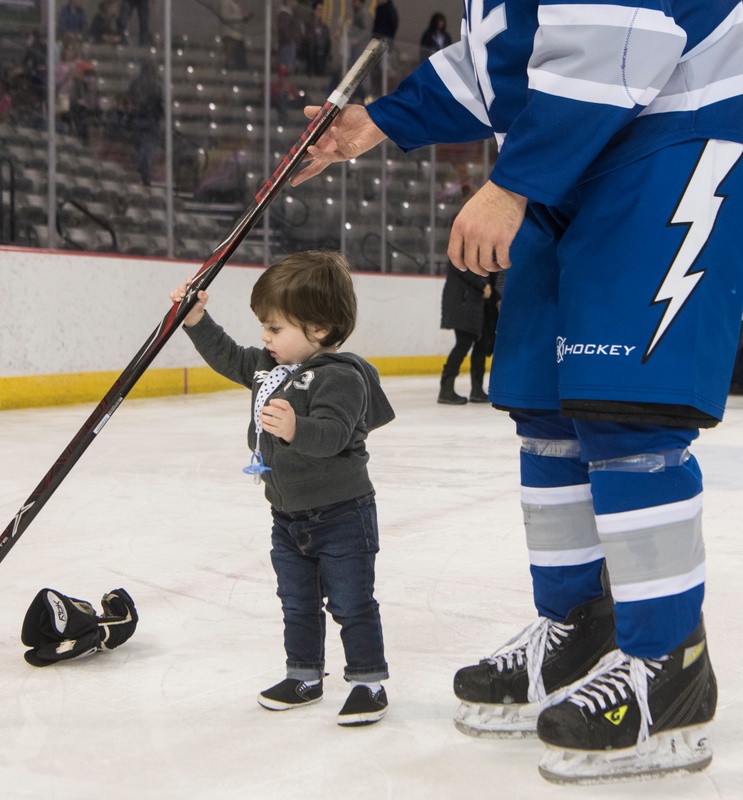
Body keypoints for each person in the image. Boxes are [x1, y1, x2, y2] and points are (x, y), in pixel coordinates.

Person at [293, 0, 742, 784]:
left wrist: (513, 183)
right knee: (544, 408)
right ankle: (577, 627)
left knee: (624, 412)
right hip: (570, 148)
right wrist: (383, 121)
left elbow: (620, 32)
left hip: (672, 130)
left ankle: (668, 665)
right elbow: (498, 56)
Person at [169, 250, 395, 726]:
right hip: (288, 516)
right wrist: (195, 319)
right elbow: (229, 356)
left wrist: (297, 428)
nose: (264, 338)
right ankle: (304, 675)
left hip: (342, 515)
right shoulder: (270, 370)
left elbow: (333, 435)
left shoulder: (341, 377)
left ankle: (368, 682)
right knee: (296, 601)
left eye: (275, 329)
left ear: (319, 328)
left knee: (352, 602)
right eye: (264, 327)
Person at [438, 264, 498, 405]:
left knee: (481, 344)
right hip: (464, 303)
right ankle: (446, 388)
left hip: (480, 304)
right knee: (463, 343)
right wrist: (483, 285)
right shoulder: (464, 245)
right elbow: (461, 267)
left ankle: (477, 390)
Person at [126, 59, 162, 184]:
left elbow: (130, 101)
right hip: (150, 121)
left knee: (141, 151)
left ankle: (142, 174)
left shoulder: (135, 84)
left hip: (139, 121)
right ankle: (144, 176)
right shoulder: (156, 86)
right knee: (148, 151)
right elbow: (160, 106)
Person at [219, 0, 251, 71]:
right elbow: (226, 17)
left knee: (241, 63)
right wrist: (241, 18)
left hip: (239, 37)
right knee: (230, 61)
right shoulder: (225, 2)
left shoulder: (238, 4)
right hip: (230, 36)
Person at [276, 0, 302, 75]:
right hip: (287, 45)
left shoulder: (290, 14)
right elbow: (283, 30)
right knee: (286, 68)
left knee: (290, 67)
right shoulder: (284, 14)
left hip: (290, 44)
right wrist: (292, 39)